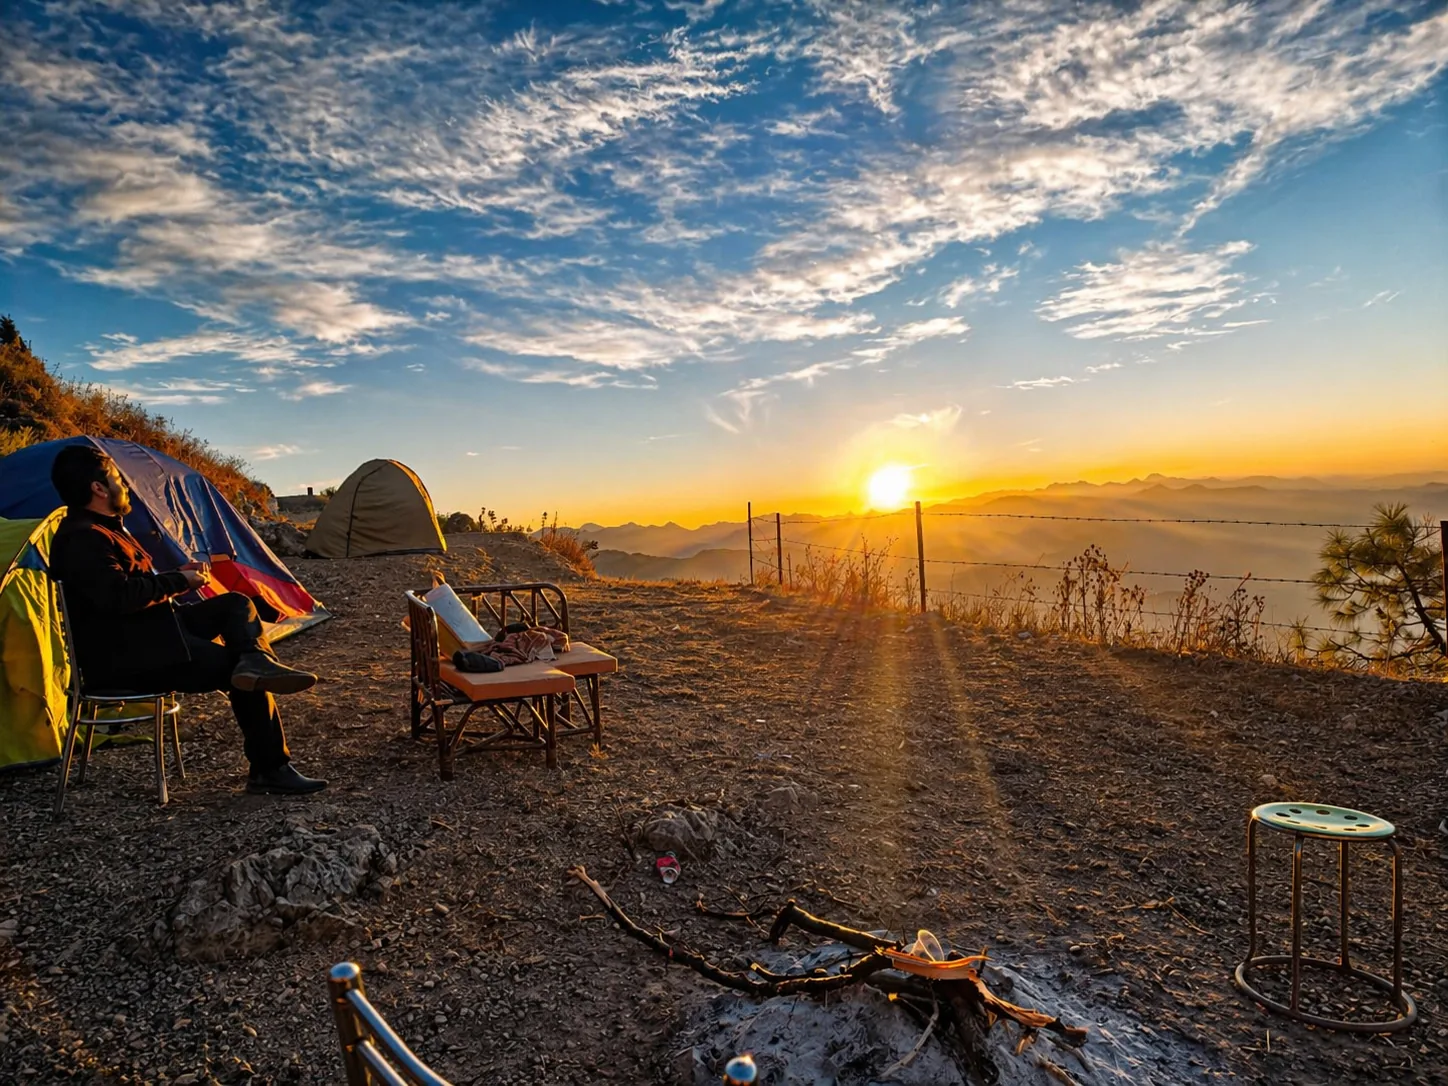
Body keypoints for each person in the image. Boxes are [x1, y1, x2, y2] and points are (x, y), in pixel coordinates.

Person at [47, 445, 327, 795]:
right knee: (242, 672)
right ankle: (270, 766)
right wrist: (181, 582)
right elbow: (117, 597)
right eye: (118, 479)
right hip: (133, 658)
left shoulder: (102, 529)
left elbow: (128, 586)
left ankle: (258, 661)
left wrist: (176, 574)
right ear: (98, 488)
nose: (126, 487)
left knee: (235, 605)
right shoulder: (84, 538)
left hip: (152, 632)